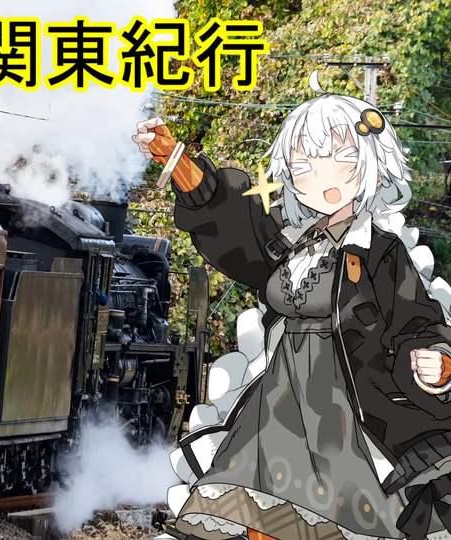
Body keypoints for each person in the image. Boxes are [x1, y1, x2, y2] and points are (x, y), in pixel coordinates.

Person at [133, 80, 451, 540]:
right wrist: (176, 160)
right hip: (278, 405)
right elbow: (234, 221)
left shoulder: (381, 251)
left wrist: (435, 361)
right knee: (254, 514)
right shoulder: (290, 241)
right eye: (304, 166)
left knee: (342, 521)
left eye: (342, 160)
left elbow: (415, 322)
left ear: (371, 166)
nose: (321, 178)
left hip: (348, 410)